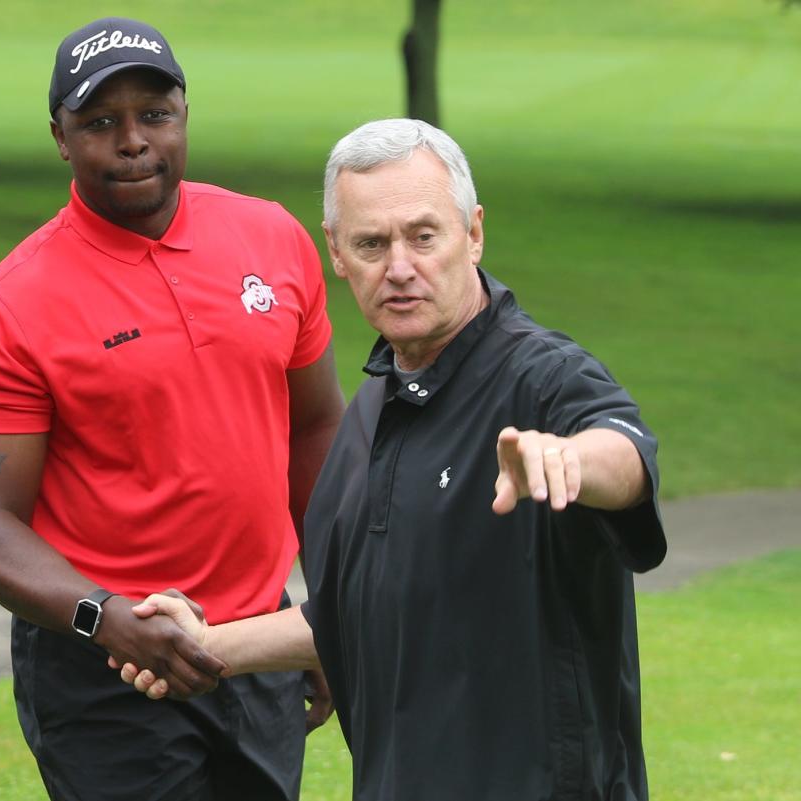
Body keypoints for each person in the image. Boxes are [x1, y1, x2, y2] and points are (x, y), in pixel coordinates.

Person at [121, 118, 667, 801]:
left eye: (423, 235)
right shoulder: (374, 408)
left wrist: (571, 460)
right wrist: (204, 646)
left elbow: (628, 454)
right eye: (372, 243)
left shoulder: (543, 377)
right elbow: (356, 616)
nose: (400, 267)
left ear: (473, 232)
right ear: (338, 254)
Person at [0, 16, 345, 801]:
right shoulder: (11, 306)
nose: (133, 141)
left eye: (154, 115)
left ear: (185, 113)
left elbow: (317, 426)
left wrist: (329, 610)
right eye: (100, 123)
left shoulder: (272, 239)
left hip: (255, 640)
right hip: (104, 666)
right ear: (61, 138)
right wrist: (109, 618)